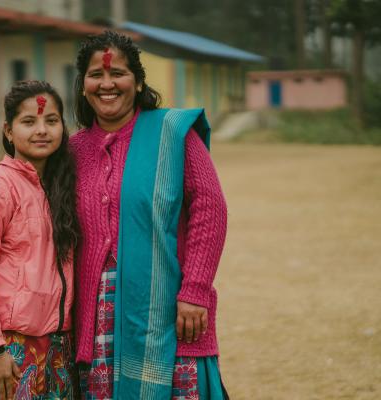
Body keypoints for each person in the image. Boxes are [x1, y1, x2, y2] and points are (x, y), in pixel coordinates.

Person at [70, 31, 229, 399]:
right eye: (96, 75)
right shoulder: (71, 151)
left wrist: (195, 291)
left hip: (168, 306)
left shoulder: (172, 134)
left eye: (118, 74)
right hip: (96, 319)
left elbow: (211, 209)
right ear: (83, 86)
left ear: (138, 81)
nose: (107, 84)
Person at [0, 80, 80, 400]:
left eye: (51, 121)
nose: (42, 130)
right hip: (8, 347)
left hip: (58, 346)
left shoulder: (63, 188)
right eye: (29, 121)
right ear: (8, 131)